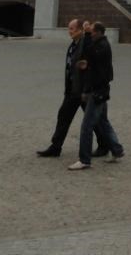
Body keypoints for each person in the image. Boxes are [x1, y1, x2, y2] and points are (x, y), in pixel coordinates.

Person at [37, 18, 101, 158]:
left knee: (93, 119)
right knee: (64, 116)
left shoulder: (84, 43)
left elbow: (90, 56)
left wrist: (88, 33)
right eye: (69, 29)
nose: (69, 32)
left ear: (79, 30)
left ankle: (105, 145)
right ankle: (56, 147)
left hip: (83, 91)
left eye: (72, 29)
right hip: (72, 90)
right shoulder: (73, 45)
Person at [68, 21, 124, 170]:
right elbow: (91, 59)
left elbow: (89, 52)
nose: (90, 34)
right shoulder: (100, 45)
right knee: (103, 122)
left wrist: (85, 34)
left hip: (98, 91)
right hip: (99, 89)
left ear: (98, 32)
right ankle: (117, 150)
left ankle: (84, 159)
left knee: (87, 126)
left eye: (92, 32)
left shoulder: (102, 46)